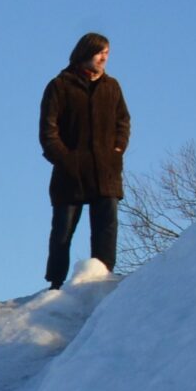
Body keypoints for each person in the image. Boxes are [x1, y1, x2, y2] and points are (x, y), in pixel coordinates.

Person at [38, 33, 129, 289]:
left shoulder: (112, 87)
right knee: (62, 232)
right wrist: (66, 160)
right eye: (100, 52)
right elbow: (48, 130)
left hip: (106, 171)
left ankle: (102, 278)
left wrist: (117, 149)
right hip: (70, 172)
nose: (104, 58)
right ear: (85, 52)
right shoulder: (60, 86)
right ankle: (55, 283)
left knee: (106, 228)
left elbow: (123, 121)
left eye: (107, 53)